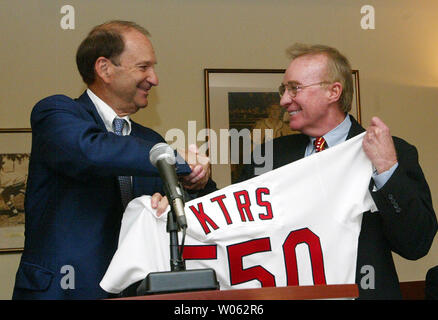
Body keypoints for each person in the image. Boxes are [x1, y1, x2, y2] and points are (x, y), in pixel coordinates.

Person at [12, 20, 214, 300]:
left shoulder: (150, 140)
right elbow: (91, 151)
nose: (154, 79)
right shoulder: (56, 113)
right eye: (143, 67)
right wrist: (178, 160)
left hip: (136, 293)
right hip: (63, 291)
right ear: (104, 68)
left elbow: (195, 214)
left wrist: (195, 180)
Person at [239, 43, 437, 299]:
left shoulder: (393, 151)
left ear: (333, 91)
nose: (284, 100)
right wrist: (198, 183)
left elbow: (416, 244)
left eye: (294, 88)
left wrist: (387, 170)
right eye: (283, 89)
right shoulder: (267, 156)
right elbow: (234, 225)